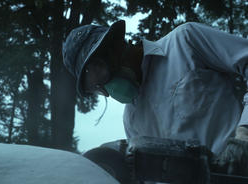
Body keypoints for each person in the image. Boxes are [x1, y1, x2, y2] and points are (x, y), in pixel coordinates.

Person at [62, 20, 248, 177]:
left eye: (100, 75)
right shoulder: (132, 120)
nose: (108, 91)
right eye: (97, 88)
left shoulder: (185, 42)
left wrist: (244, 137)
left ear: (116, 45)